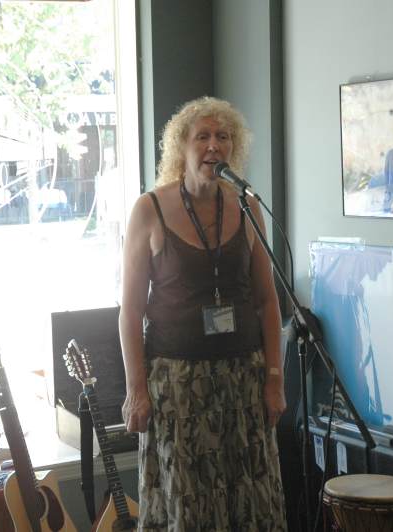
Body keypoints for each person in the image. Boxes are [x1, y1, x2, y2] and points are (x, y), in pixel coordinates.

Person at [119, 97, 287, 531]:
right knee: (189, 508)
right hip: (177, 385)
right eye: (203, 136)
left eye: (224, 136)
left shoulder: (247, 207)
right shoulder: (149, 210)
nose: (214, 145)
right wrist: (137, 389)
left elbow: (269, 303)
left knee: (250, 503)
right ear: (182, 147)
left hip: (242, 380)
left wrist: (274, 379)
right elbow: (131, 309)